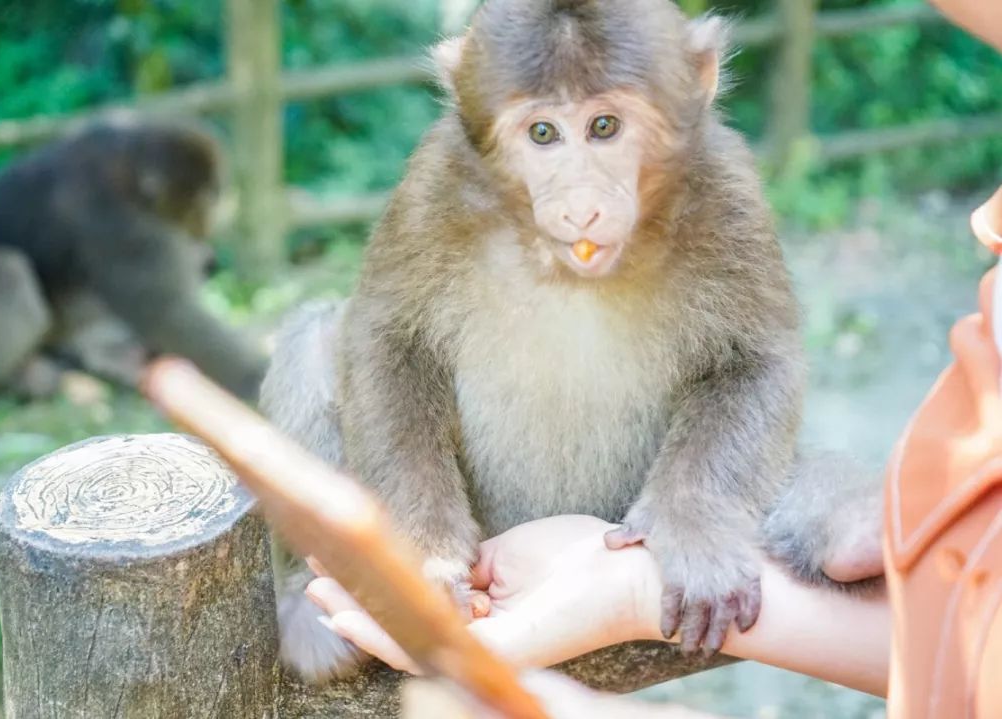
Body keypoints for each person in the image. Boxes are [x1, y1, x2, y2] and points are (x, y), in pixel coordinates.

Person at [305, 1, 1002, 715]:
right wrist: (426, 534)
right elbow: (388, 351)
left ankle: (859, 527)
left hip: (646, 491)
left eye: (606, 126)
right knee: (313, 344)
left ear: (700, 78)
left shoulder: (719, 194)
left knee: (803, 471)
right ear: (464, 99)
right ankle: (321, 580)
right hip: (478, 492)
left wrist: (697, 506)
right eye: (541, 133)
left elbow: (757, 365)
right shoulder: (440, 195)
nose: (579, 199)